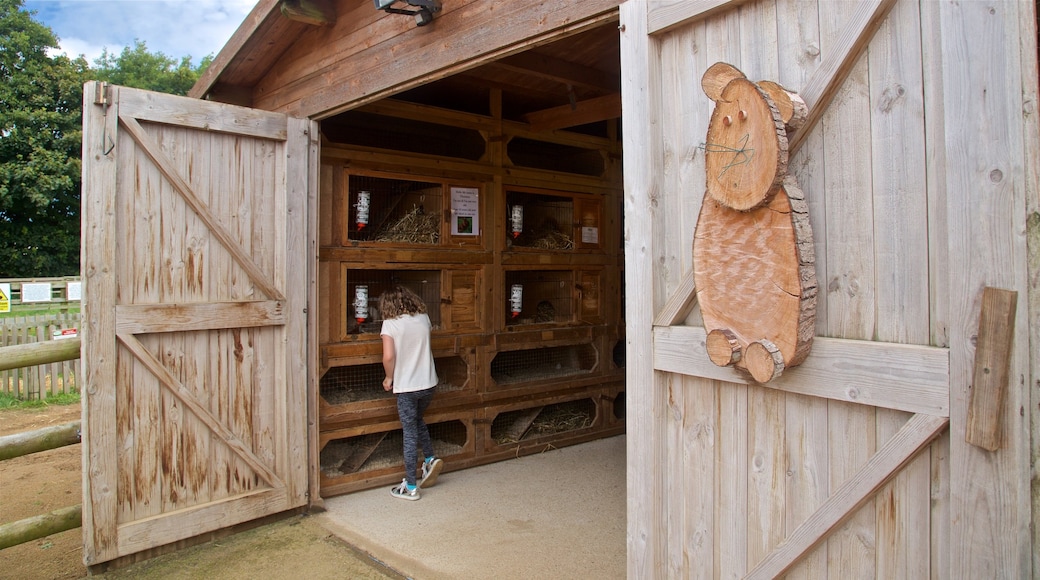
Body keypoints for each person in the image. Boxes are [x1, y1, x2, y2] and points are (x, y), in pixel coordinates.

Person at [379, 285, 444, 500]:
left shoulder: (390, 324)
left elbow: (388, 356)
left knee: (409, 432)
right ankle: (429, 460)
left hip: (407, 387)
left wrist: (389, 378)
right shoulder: (423, 318)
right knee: (417, 420)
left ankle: (410, 486)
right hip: (428, 383)